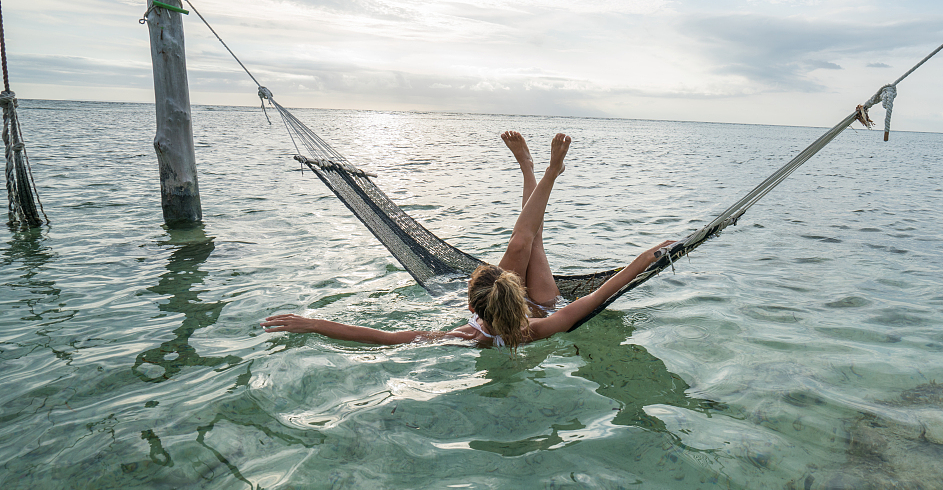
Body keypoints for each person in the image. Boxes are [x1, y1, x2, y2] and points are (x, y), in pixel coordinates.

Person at [261, 132, 675, 348]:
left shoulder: (470, 336)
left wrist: (312, 323)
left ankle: (534, 171)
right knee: (531, 243)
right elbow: (601, 293)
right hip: (544, 302)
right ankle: (543, 172)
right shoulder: (543, 325)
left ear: (473, 306)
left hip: (525, 306)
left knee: (521, 245)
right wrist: (647, 257)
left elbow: (384, 339)